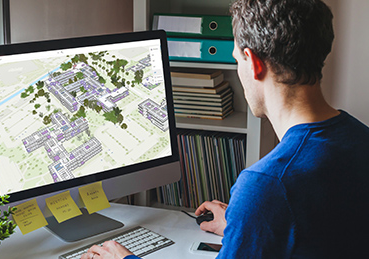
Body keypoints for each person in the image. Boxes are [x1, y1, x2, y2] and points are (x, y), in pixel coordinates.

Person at [81, 0, 369, 258]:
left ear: (254, 63)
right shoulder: (361, 139)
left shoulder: (266, 185)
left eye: (236, 59)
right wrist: (244, 226)